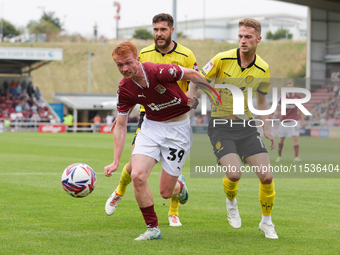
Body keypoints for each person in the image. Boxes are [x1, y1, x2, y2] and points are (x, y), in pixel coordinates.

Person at [105, 13, 198, 227]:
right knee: (133, 168)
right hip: (149, 115)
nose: (159, 33)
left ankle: (174, 206)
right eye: (155, 29)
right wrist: (123, 113)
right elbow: (133, 85)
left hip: (176, 117)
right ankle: (120, 191)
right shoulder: (144, 53)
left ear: (171, 31)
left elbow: (195, 76)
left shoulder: (186, 53)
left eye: (163, 29)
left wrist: (193, 99)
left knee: (166, 189)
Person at [199, 18, 278, 239]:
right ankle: (231, 202)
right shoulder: (221, 59)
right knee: (234, 173)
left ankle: (266, 222)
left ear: (258, 39)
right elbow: (199, 81)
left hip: (247, 127)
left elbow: (261, 101)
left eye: (248, 37)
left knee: (267, 176)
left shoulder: (263, 67)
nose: (243, 40)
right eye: (240, 36)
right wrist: (193, 99)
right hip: (221, 126)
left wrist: (267, 128)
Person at [275, 80, 305, 163]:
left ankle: (296, 157)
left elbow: (301, 109)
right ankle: (279, 156)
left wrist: (302, 121)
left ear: (293, 87)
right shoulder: (282, 96)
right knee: (281, 139)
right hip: (284, 121)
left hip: (294, 120)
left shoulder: (297, 97)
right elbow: (276, 106)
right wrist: (275, 111)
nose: (289, 88)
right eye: (288, 87)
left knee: (295, 137)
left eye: (291, 87)